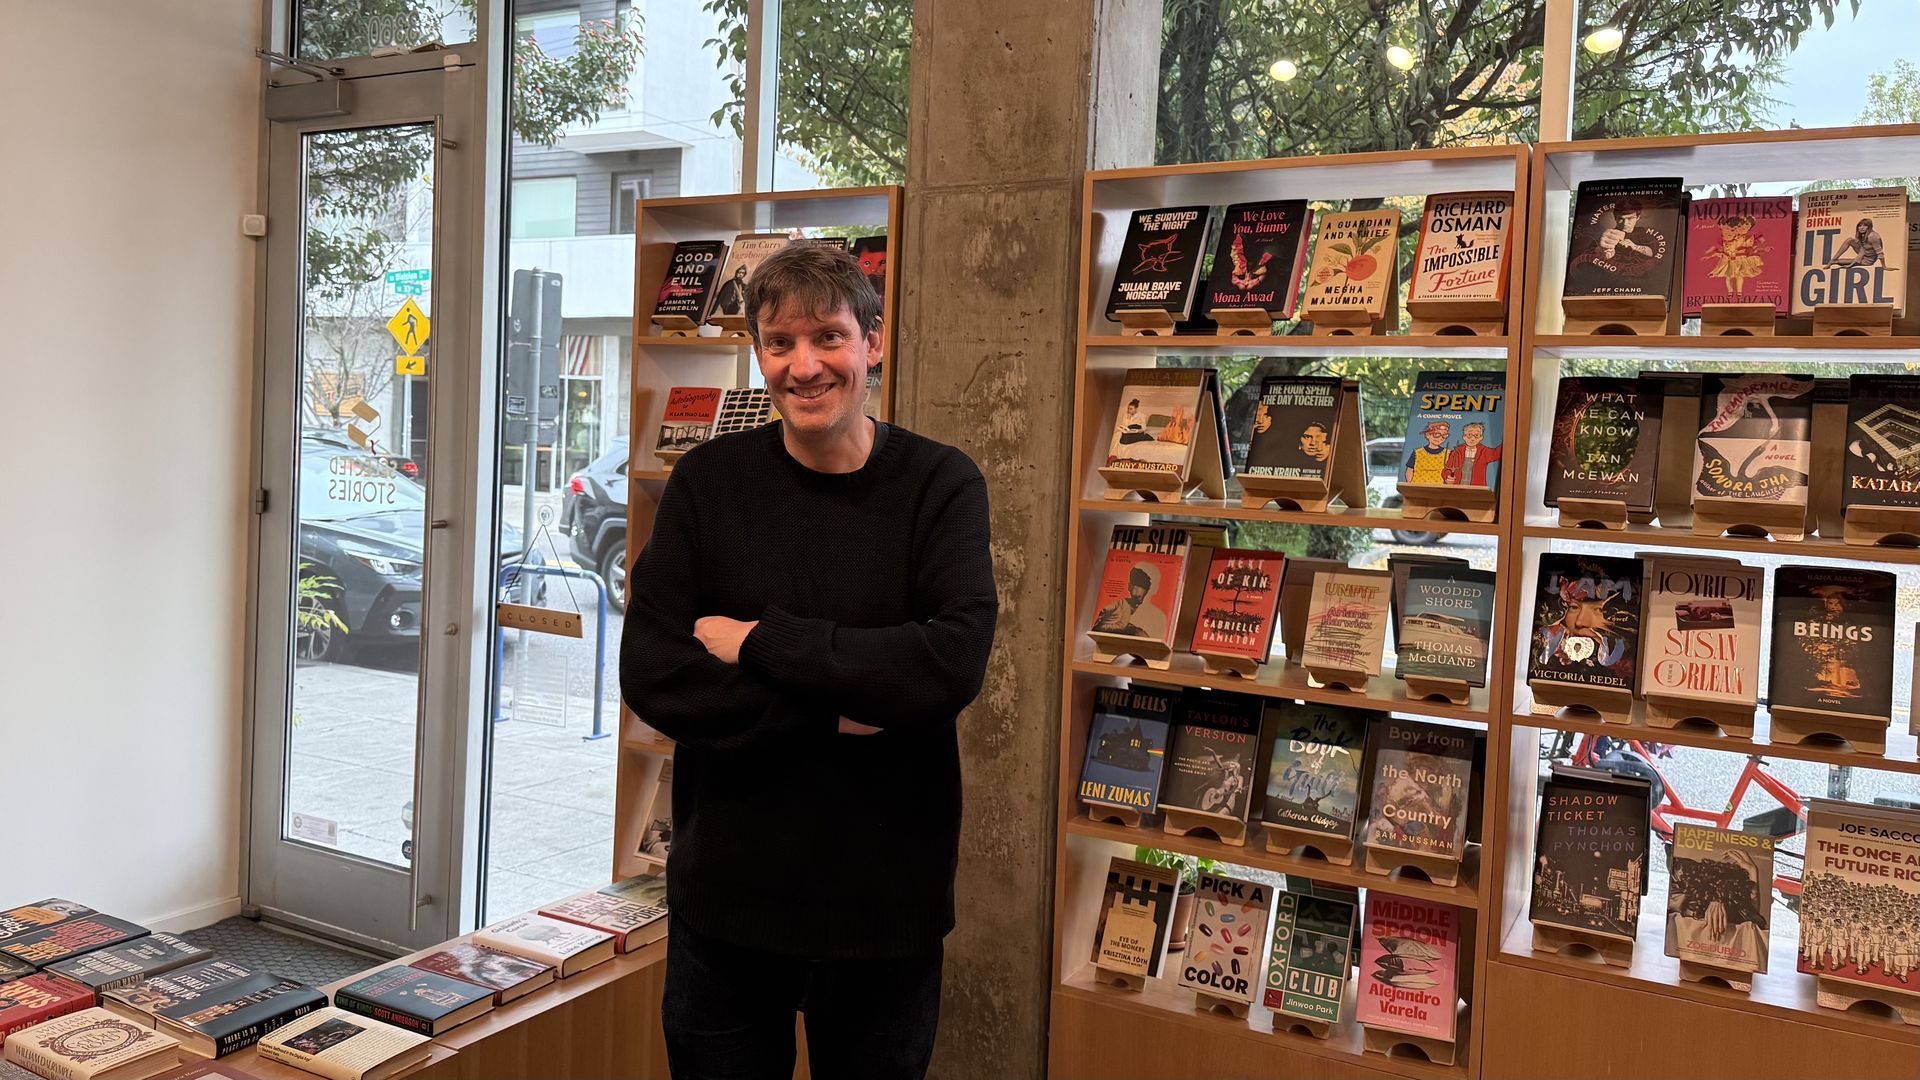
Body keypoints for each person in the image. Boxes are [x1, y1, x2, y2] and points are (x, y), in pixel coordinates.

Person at [621, 243, 998, 1080]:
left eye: (827, 337)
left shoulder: (941, 485)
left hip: (883, 915)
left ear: (872, 341)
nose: (804, 366)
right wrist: (836, 707)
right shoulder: (707, 484)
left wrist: (760, 642)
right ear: (757, 353)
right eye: (778, 343)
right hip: (725, 910)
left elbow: (948, 666)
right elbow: (654, 672)